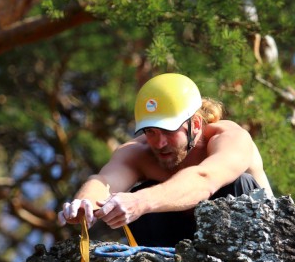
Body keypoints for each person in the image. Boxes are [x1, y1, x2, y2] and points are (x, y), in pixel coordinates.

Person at [59, 73, 273, 247]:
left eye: (168, 131)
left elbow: (204, 179)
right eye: (150, 131)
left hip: (259, 243)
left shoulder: (230, 138)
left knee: (238, 185)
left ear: (196, 125)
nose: (159, 143)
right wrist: (86, 202)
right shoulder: (139, 151)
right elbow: (105, 180)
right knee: (136, 197)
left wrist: (141, 202)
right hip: (179, 248)